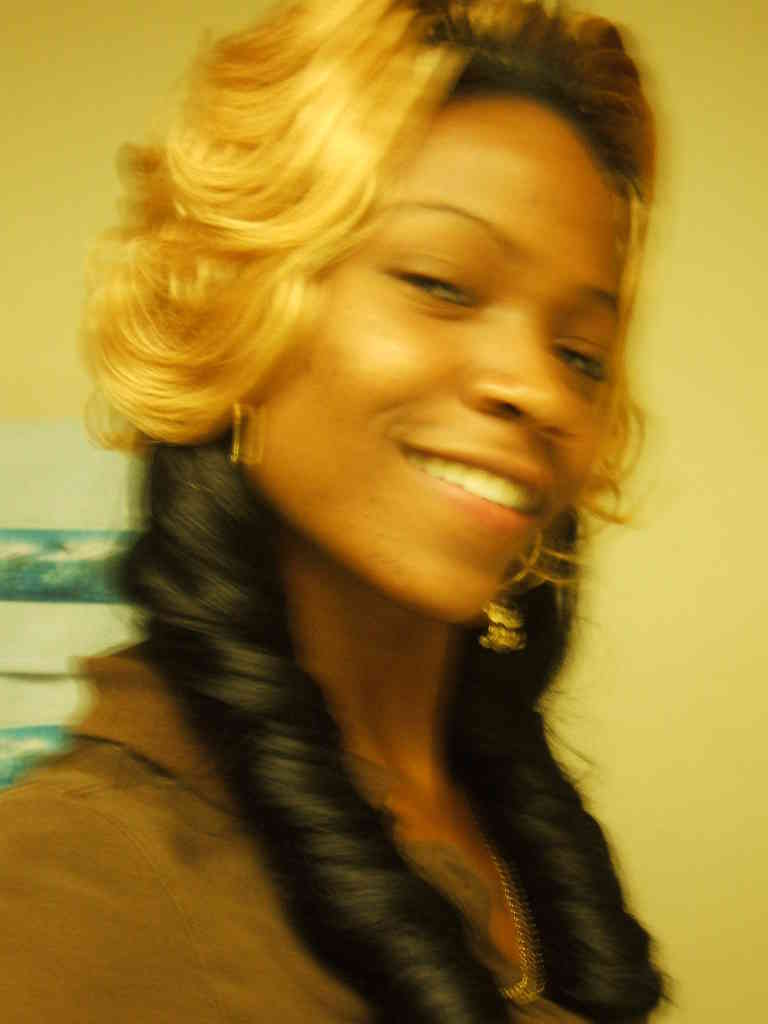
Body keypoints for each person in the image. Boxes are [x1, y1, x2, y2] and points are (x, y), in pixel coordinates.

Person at [1, 1, 665, 1021]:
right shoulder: (75, 890)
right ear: (236, 309)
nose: (539, 388)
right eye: (442, 284)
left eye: (580, 353)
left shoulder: (509, 821)